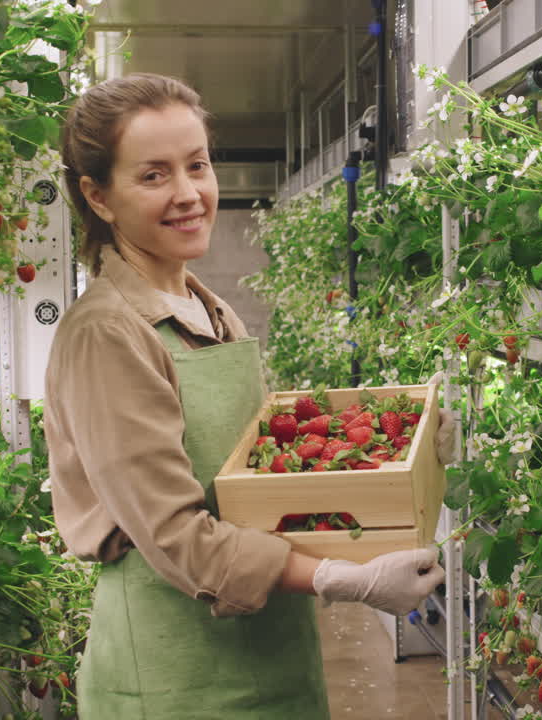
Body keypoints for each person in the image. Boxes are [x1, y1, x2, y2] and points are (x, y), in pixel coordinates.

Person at [45, 73, 452, 719]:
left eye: (197, 165)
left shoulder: (211, 311)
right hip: (175, 669)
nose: (188, 194)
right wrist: (337, 578)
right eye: (153, 176)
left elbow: (258, 477)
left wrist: (407, 445)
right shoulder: (107, 333)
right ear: (98, 196)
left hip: (267, 650)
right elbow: (175, 535)